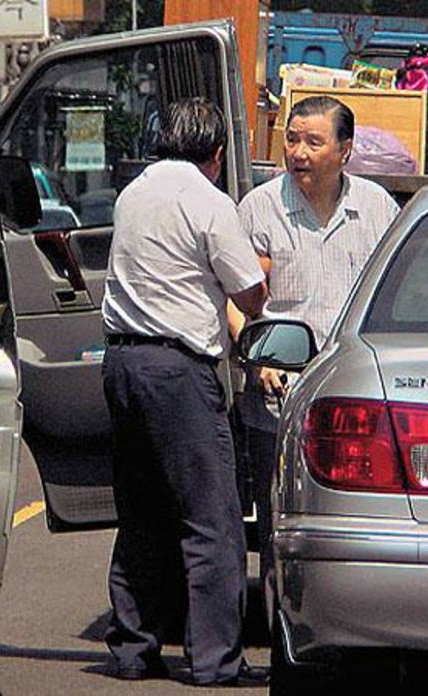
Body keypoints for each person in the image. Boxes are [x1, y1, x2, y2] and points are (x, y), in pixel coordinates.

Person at [101, 97, 268, 687]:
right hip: (177, 370)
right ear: (217, 155)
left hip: (122, 363)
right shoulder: (210, 201)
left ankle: (131, 650)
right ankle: (215, 660)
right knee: (211, 522)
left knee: (142, 515)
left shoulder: (133, 193)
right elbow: (249, 295)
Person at [234, 95, 400, 606]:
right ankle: (280, 624)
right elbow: (232, 299)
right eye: (291, 139)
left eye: (313, 141)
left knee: (361, 521)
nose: (298, 152)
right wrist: (258, 356)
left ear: (344, 150)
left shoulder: (377, 209)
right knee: (277, 524)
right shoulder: (259, 208)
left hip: (355, 402)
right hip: (276, 399)